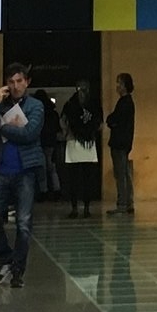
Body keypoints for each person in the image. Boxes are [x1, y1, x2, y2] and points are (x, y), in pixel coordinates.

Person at [0, 64, 45, 288]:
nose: (15, 86)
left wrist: (3, 126)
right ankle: (5, 258)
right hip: (1, 171)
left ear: (27, 82)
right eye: (11, 82)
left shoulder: (36, 106)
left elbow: (29, 134)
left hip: (25, 172)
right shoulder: (0, 105)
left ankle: (18, 269)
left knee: (24, 223)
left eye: (19, 81)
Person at [59, 81, 100, 219]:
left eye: (85, 89)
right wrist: (66, 133)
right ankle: (75, 207)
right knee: (73, 178)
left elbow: (99, 122)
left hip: (88, 144)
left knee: (88, 178)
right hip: (73, 143)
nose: (83, 91)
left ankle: (87, 207)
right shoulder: (70, 104)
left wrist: (92, 133)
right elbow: (63, 120)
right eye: (81, 89)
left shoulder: (94, 104)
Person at [106, 73, 136, 216]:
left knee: (121, 174)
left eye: (119, 83)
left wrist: (111, 121)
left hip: (119, 143)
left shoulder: (124, 103)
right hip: (124, 143)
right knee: (125, 173)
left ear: (125, 86)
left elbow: (113, 119)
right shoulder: (127, 102)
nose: (117, 86)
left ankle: (122, 204)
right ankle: (128, 202)